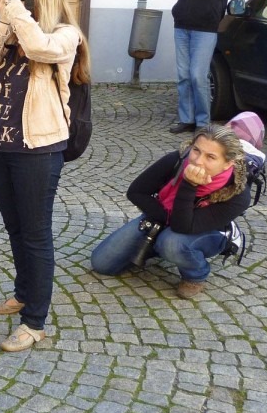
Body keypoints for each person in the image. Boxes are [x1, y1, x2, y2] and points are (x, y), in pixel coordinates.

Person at [0, 0, 91, 352]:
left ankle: (34, 321)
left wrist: (13, 4)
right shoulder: (13, 28)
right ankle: (23, 292)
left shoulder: (66, 35)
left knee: (36, 233)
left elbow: (41, 47)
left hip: (38, 147)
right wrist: (6, 18)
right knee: (15, 227)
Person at [90, 125, 251, 299]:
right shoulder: (177, 160)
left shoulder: (237, 193)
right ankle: (157, 246)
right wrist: (165, 217)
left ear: (228, 163)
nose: (197, 161)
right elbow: (136, 192)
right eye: (196, 150)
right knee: (102, 263)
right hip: (164, 213)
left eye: (210, 157)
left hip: (205, 229)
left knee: (171, 242)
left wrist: (189, 185)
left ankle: (196, 274)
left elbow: (182, 226)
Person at [166, 0, 229, 133]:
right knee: (184, 75)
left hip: (205, 30)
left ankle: (203, 122)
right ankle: (187, 119)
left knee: (197, 75)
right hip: (182, 27)